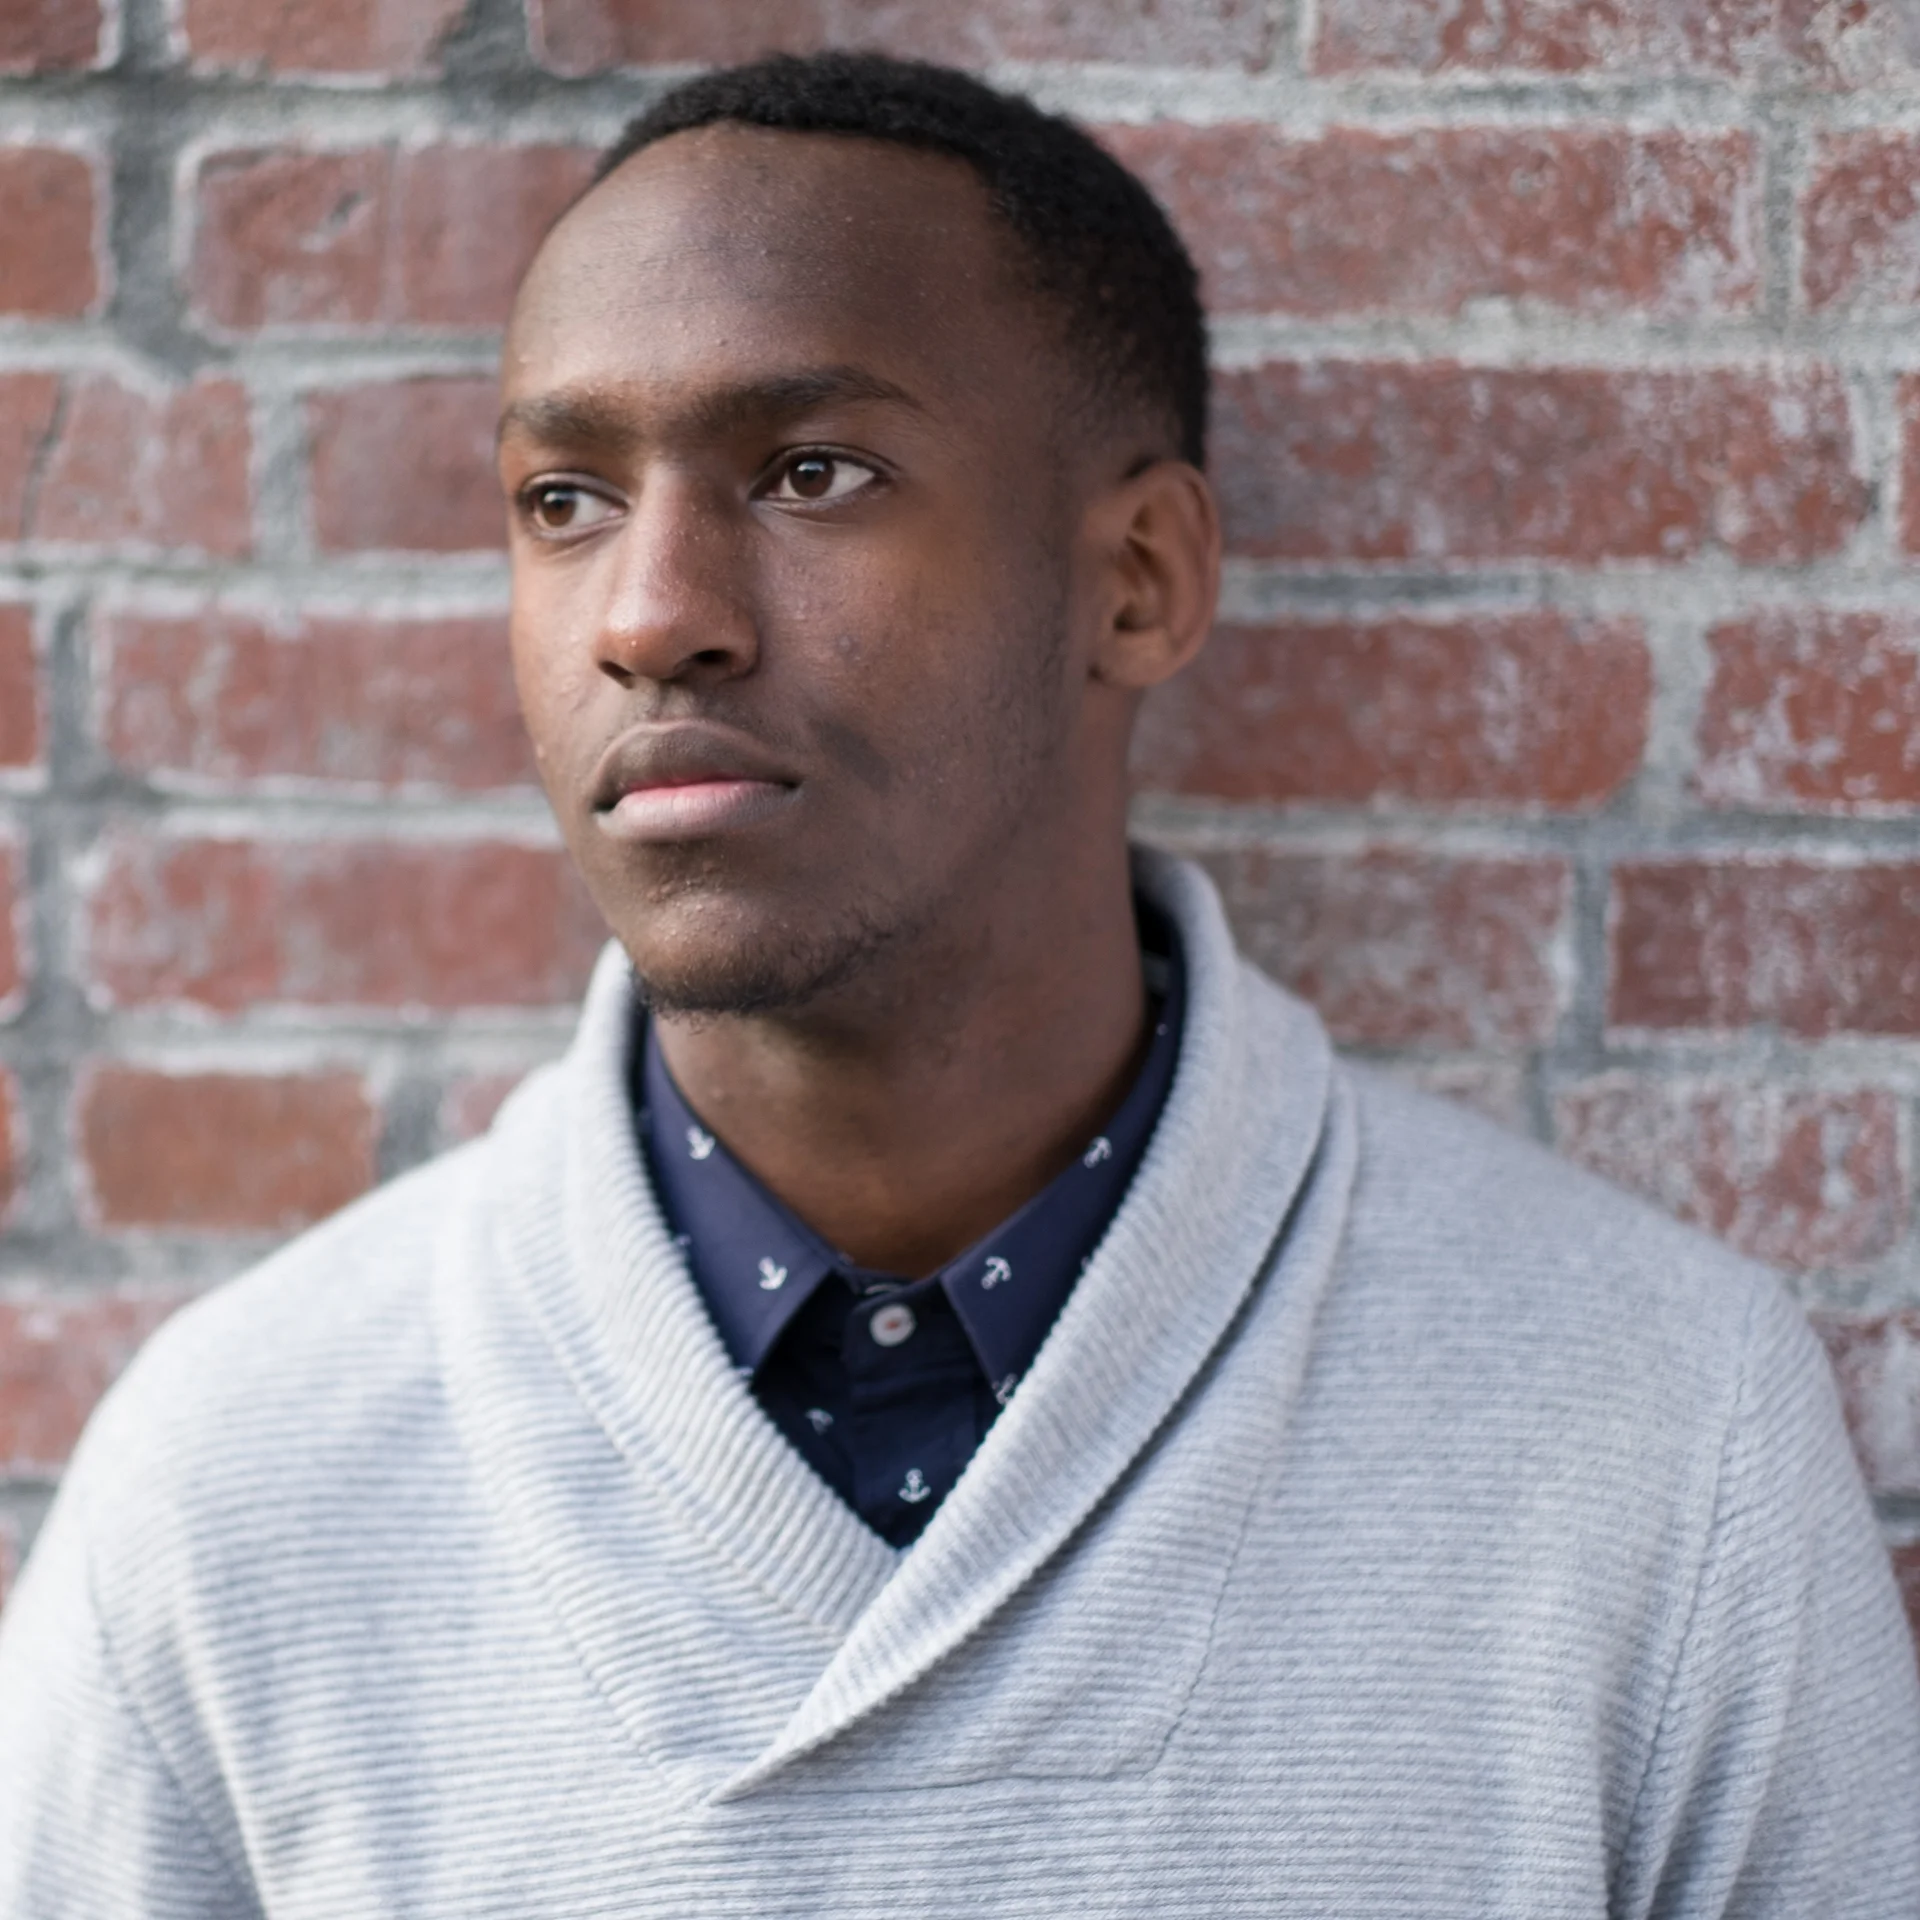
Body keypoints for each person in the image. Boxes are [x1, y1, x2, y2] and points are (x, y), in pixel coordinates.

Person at [1, 51, 1915, 1917]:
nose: (650, 614)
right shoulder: (240, 1487)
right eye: (564, 498)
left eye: (811, 472)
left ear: (1138, 579)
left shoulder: (1654, 1431)